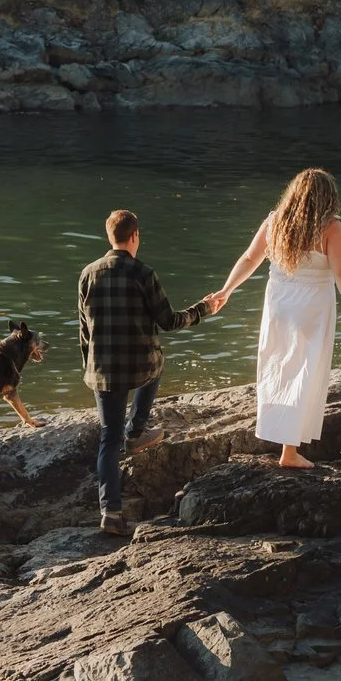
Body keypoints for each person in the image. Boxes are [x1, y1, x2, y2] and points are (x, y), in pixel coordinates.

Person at [208, 167, 341, 468]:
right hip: (312, 307)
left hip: (279, 304)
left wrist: (226, 290)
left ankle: (284, 443)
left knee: (278, 366)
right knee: (305, 372)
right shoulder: (332, 228)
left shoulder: (276, 221)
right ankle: (289, 452)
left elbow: (250, 258)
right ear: (329, 197)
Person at [76, 207, 219, 535]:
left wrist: (90, 368)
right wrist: (203, 308)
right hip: (140, 367)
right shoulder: (143, 273)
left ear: (109, 236)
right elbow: (169, 321)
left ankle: (110, 513)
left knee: (108, 437)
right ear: (135, 236)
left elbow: (84, 329)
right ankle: (136, 430)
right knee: (157, 363)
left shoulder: (87, 273)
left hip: (102, 370)